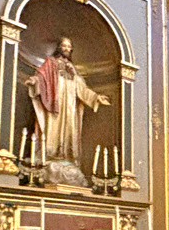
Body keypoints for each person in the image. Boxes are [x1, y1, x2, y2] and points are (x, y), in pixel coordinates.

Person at [25, 36, 110, 183]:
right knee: (53, 129)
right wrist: (34, 81)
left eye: (69, 46)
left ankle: (65, 157)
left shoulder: (72, 68)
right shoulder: (51, 63)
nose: (66, 48)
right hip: (55, 104)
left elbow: (81, 89)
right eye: (64, 46)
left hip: (70, 107)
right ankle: (50, 156)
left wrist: (96, 97)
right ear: (59, 47)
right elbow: (41, 76)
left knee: (69, 131)